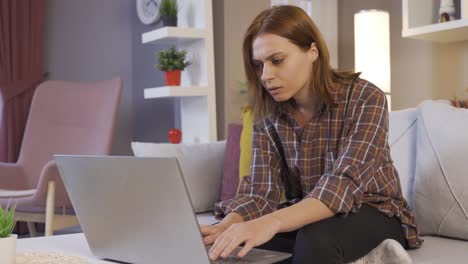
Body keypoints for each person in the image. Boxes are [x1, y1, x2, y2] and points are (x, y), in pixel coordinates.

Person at [200, 5, 422, 264]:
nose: (266, 76)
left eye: (277, 60)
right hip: (310, 215)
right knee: (239, 245)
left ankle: (374, 252)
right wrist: (228, 226)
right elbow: (261, 193)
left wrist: (271, 222)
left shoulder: (365, 97)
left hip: (374, 210)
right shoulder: (267, 116)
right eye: (259, 65)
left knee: (314, 239)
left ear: (312, 51)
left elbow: (341, 185)